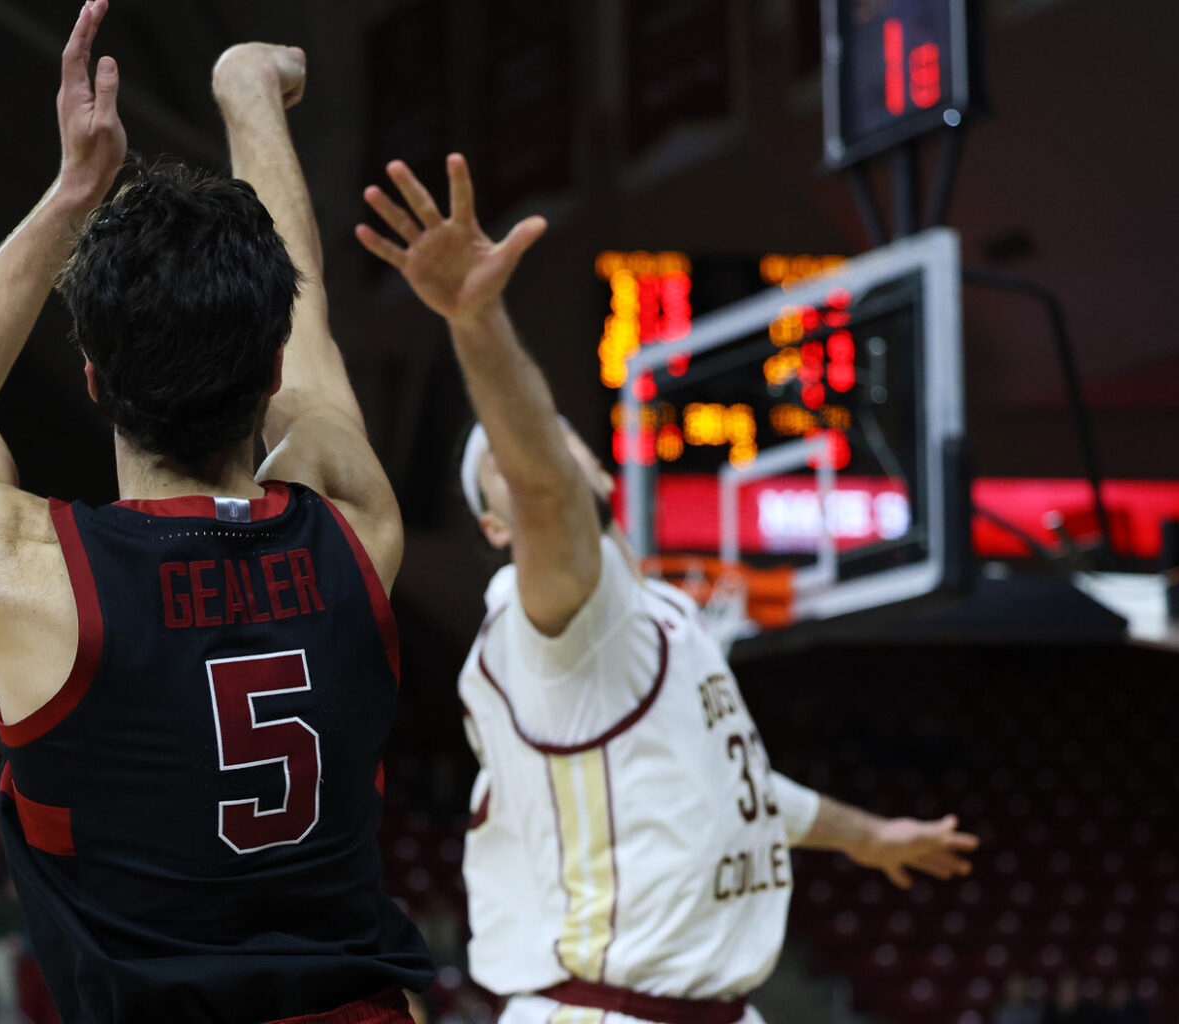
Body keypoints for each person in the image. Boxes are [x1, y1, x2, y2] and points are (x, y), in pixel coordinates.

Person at [0, 4, 430, 1021]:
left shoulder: (35, 579)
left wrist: (72, 192)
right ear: (268, 369)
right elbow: (302, 316)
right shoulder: (358, 531)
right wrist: (250, 97)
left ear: (90, 376)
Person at [356, 154, 979, 1024]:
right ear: (497, 532)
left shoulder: (659, 617)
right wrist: (478, 322)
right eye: (498, 458)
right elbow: (546, 493)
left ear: (604, 468)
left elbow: (745, 787)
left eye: (540, 436)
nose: (531, 453)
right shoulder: (556, 614)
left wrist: (869, 836)